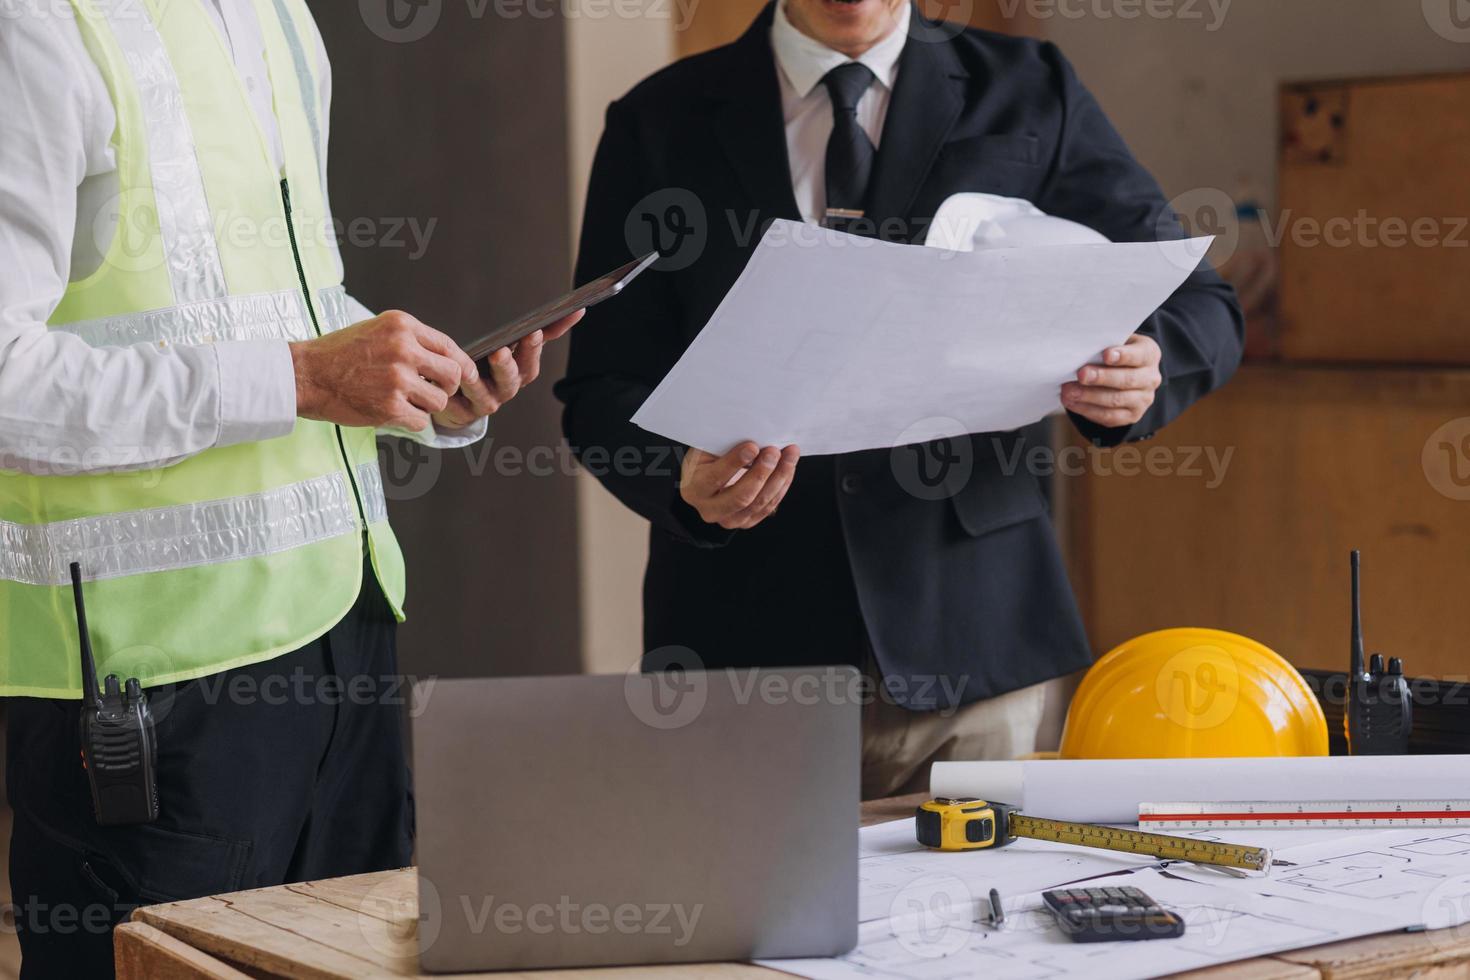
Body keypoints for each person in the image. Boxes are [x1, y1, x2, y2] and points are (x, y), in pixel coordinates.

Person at [0, 2, 579, 974]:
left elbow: (289, 296)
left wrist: (421, 383)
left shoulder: (275, 15)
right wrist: (304, 378)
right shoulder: (37, 24)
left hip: (341, 637)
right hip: (151, 681)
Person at [557, 0, 1243, 799]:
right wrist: (679, 478)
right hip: (741, 652)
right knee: (751, 927)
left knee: (987, 922)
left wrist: (1149, 364)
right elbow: (599, 387)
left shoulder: (1030, 86)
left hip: (980, 640)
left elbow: (1203, 302)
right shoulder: (658, 119)